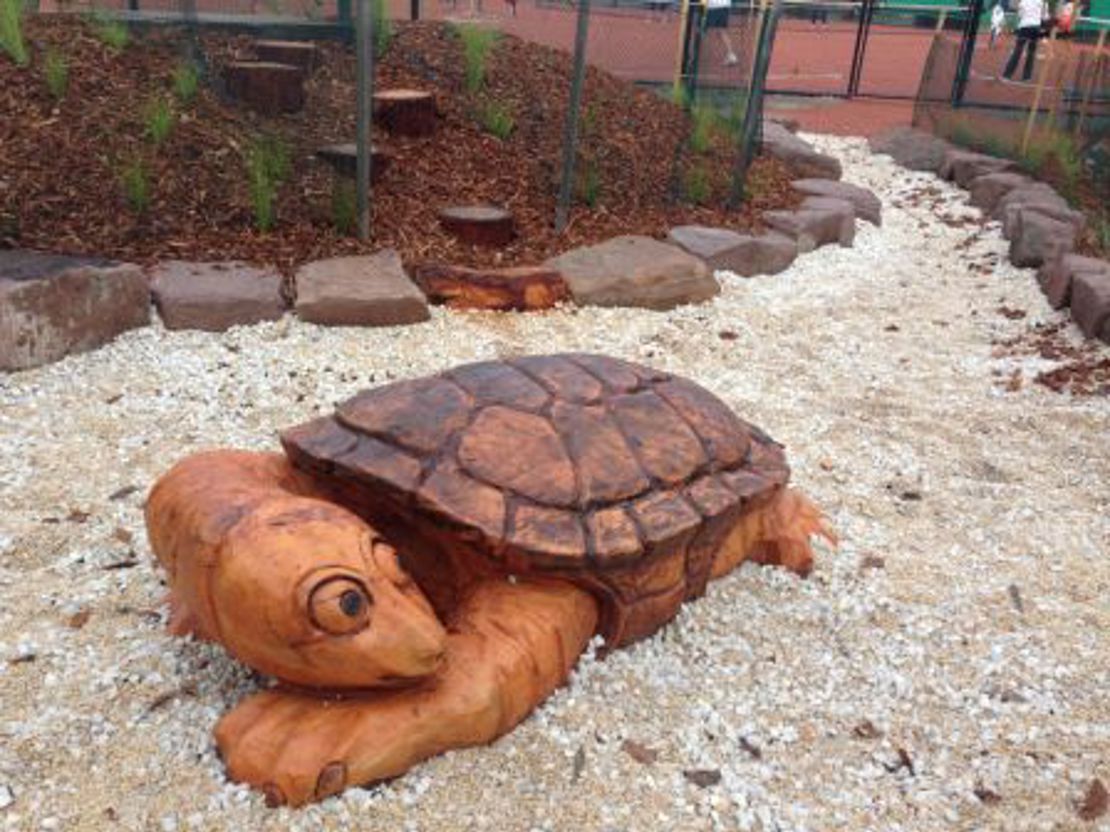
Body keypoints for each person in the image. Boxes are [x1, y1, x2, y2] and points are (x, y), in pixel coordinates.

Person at [1002, 0, 1046, 81]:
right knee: (1031, 53)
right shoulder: (1042, 2)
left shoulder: (1023, 2)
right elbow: (1044, 17)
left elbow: (1020, 15)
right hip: (1036, 28)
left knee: (1017, 51)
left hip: (1024, 27)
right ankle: (1027, 77)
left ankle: (1007, 75)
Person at [705, 0, 739, 66]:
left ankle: (730, 54)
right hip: (720, 6)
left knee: (716, 31)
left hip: (716, 6)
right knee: (719, 32)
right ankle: (730, 54)